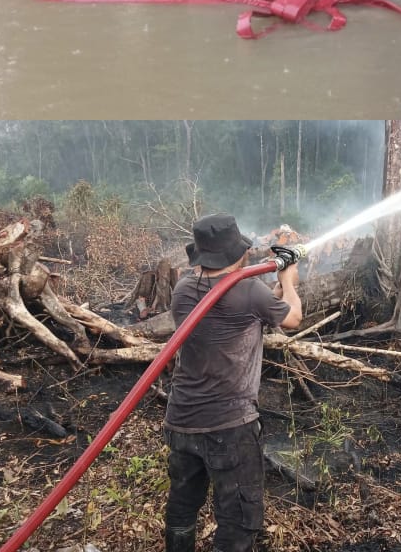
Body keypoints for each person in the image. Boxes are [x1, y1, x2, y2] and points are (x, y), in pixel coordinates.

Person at [163, 214, 302, 552]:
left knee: (183, 506)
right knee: (239, 518)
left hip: (181, 420)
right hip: (228, 426)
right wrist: (291, 280)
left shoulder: (183, 289)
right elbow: (293, 318)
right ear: (235, 254)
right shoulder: (249, 292)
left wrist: (275, 284)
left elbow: (249, 306)